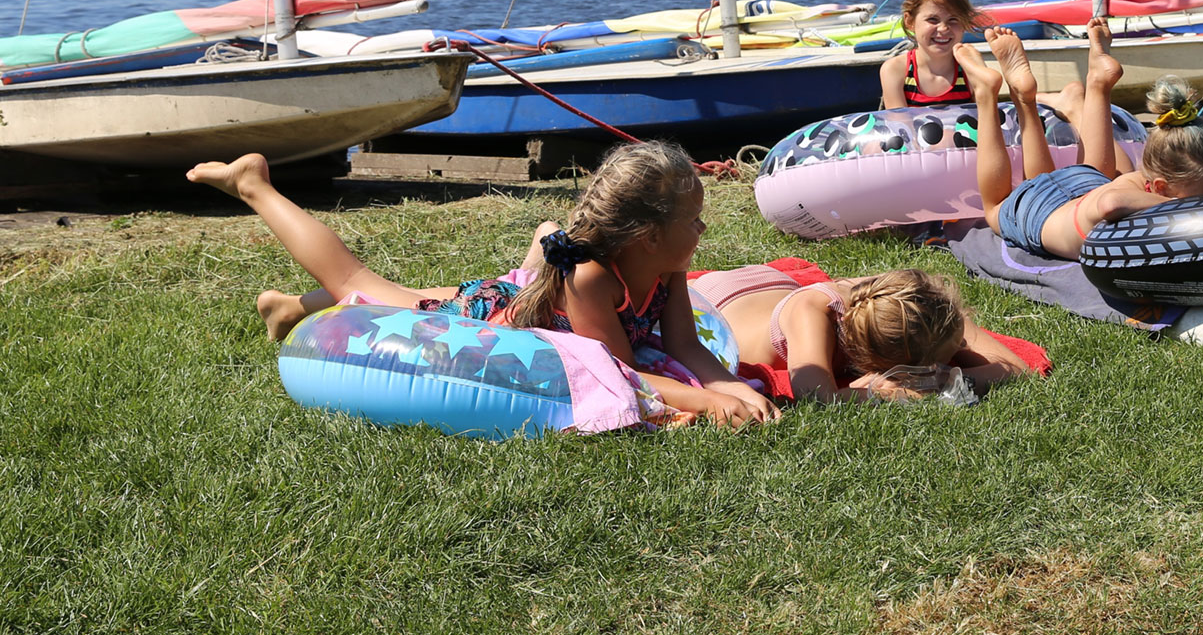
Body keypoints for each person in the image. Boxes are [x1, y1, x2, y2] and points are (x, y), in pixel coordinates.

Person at [195, 142, 782, 429]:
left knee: (385, 292)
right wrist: (706, 401)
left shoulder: (667, 265)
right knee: (358, 282)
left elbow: (684, 347)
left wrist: (733, 385)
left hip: (528, 293)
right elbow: (624, 373)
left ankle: (291, 308)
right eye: (693, 220)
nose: (703, 229)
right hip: (484, 316)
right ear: (648, 236)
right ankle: (254, 186)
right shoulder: (591, 278)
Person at [961, 20, 1203, 261]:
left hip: (1080, 188)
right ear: (1160, 188)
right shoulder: (1129, 196)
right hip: (1047, 211)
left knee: (1101, 173)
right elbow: (1109, 204)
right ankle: (987, 95)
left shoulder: (1138, 180)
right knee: (994, 208)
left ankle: (1086, 85)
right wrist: (1182, 206)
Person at [690, 264, 1034, 402]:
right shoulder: (812, 314)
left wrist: (942, 378)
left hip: (775, 282)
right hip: (722, 300)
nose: (962, 348)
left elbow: (1017, 367)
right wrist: (886, 392)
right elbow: (817, 399)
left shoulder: (917, 306)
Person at [879, 0, 988, 109]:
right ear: (910, 21)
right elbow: (899, 122)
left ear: (964, 22)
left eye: (953, 19)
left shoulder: (970, 69)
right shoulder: (896, 70)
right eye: (932, 19)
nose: (943, 28)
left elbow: (986, 116)